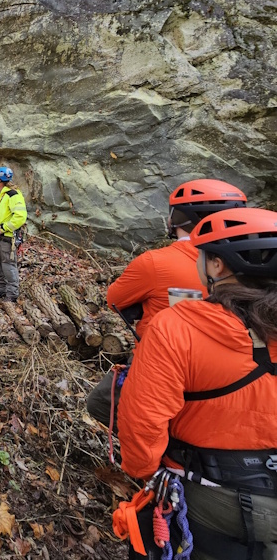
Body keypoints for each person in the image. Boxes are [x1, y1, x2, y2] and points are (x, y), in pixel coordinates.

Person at [117, 207, 277, 560]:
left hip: (212, 494)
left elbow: (142, 424)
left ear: (217, 265)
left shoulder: (178, 327)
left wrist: (146, 474)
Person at [86, 179, 247, 429]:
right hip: (234, 373)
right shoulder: (248, 268)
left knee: (99, 402)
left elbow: (114, 300)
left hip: (160, 367)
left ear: (178, 217)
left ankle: (156, 449)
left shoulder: (154, 262)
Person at [0, 166, 27, 302]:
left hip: (7, 236)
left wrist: (3, 228)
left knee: (8, 263)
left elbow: (20, 217)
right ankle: (0, 289)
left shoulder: (13, 195)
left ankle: (12, 293)